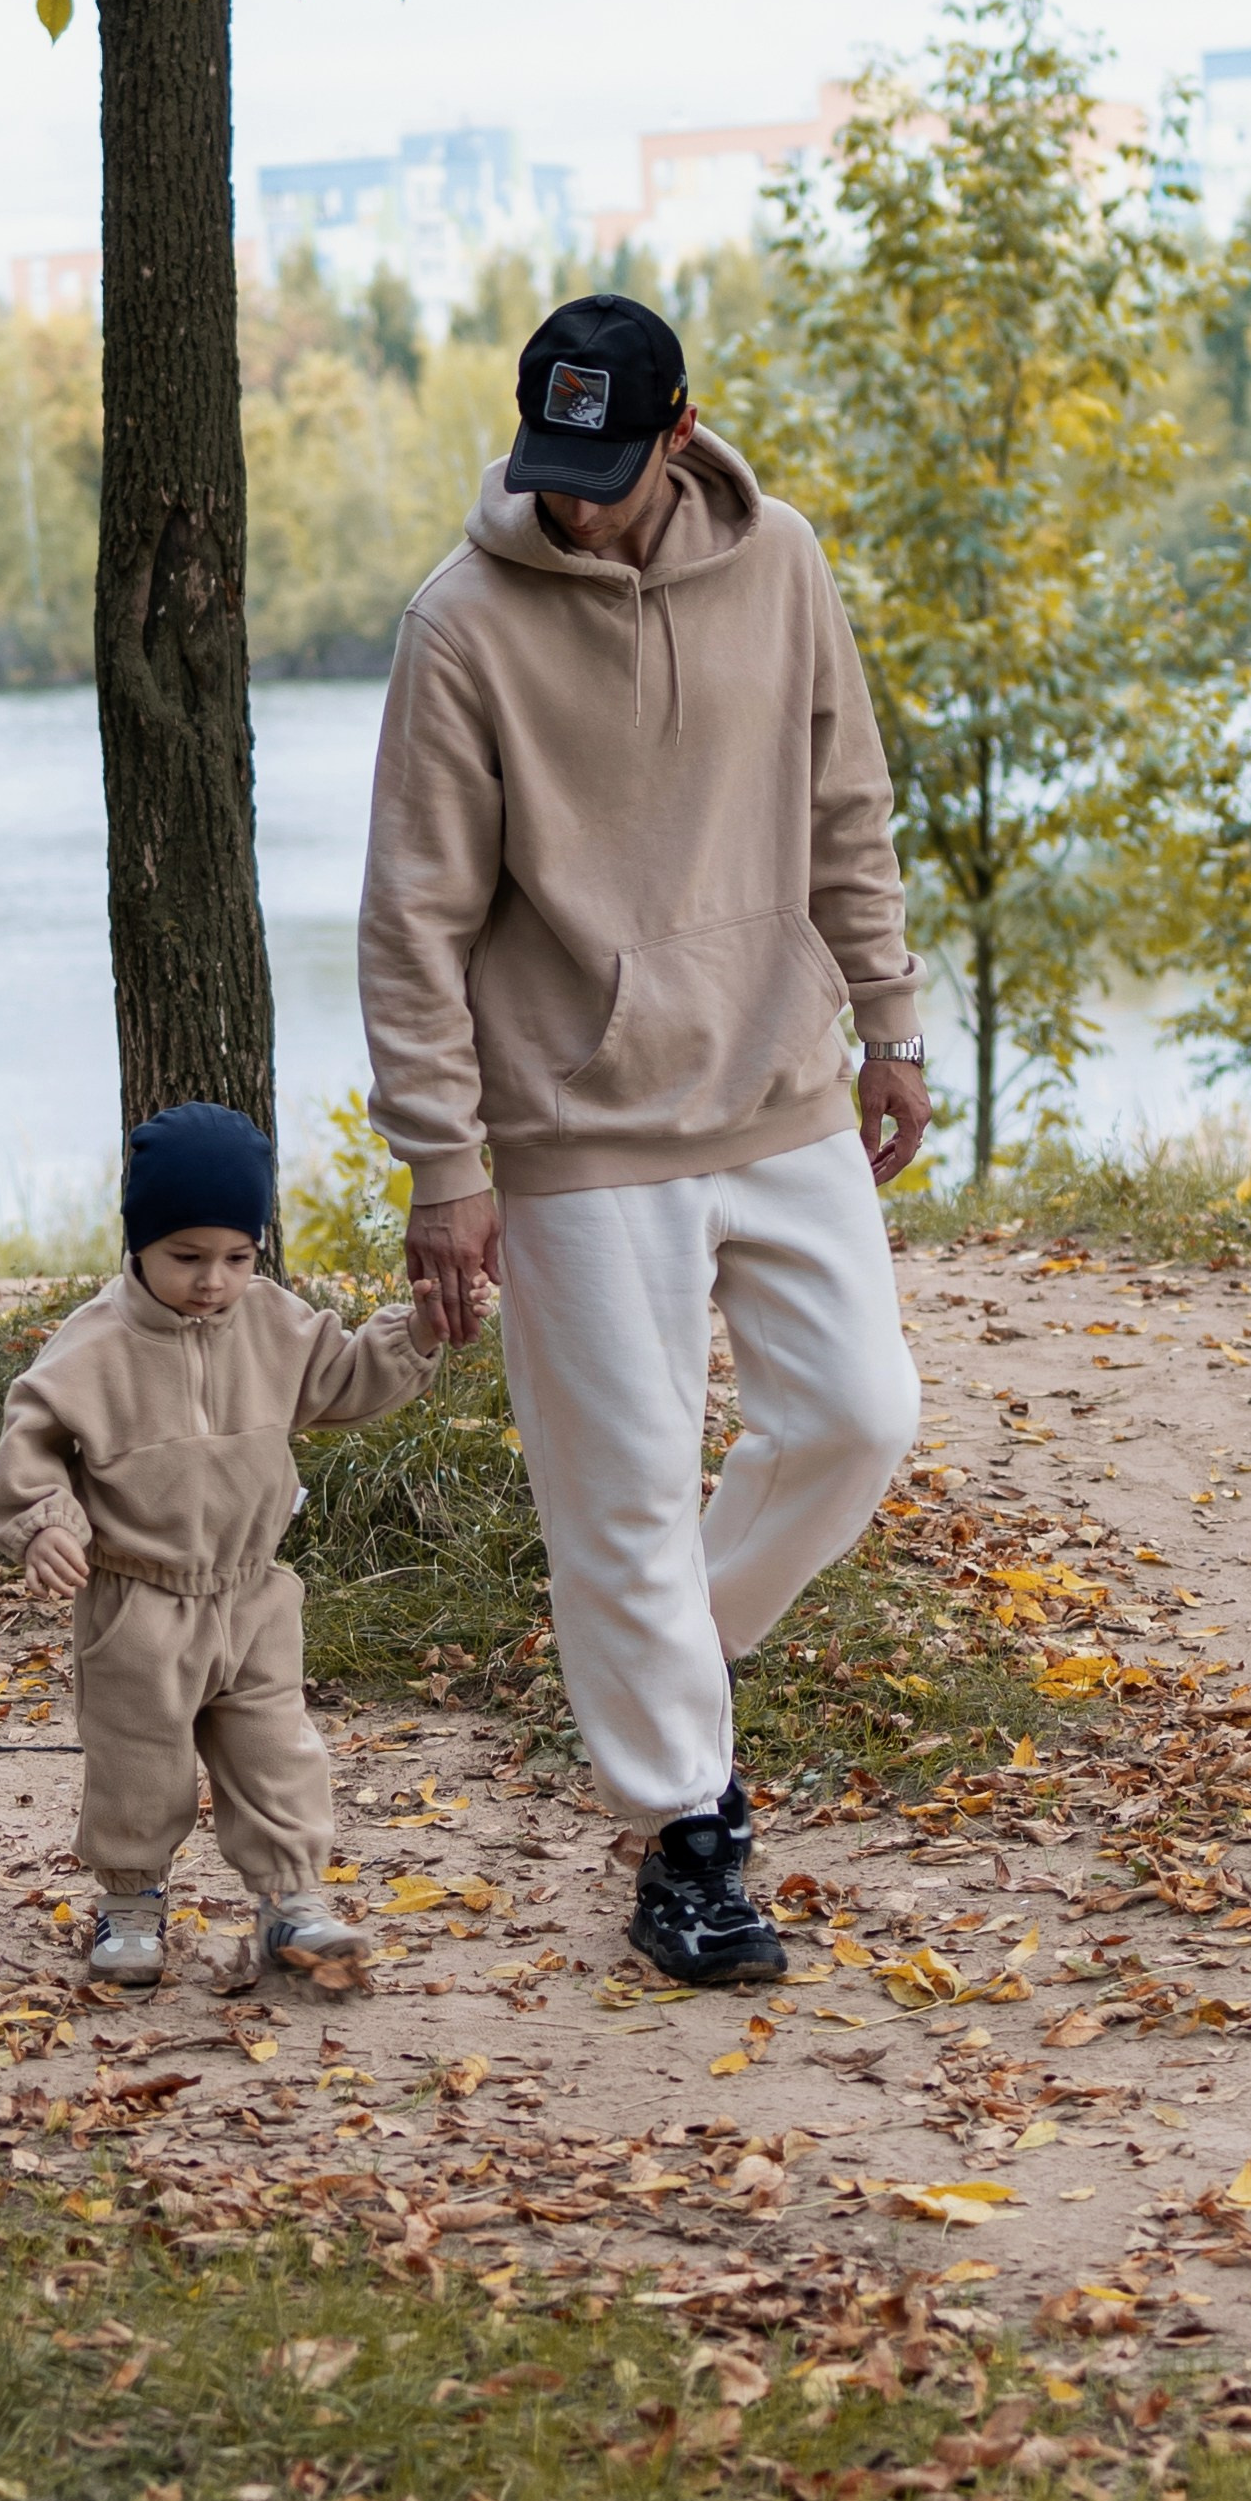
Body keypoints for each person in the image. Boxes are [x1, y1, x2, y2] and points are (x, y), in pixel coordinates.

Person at [358, 292, 931, 1987]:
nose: (571, 500)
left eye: (605, 469)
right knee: (617, 1494)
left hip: (774, 1077)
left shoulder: (785, 567)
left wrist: (887, 1015)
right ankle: (685, 1831)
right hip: (574, 1120)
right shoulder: (460, 624)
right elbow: (412, 918)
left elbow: (847, 801)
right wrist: (441, 1160)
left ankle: (654, 1651)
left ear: (679, 433)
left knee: (855, 1415)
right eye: (551, 463)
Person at [0, 1099, 442, 1989]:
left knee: (276, 1750)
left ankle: (291, 1903)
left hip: (252, 1594)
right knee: (139, 1761)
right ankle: (131, 1902)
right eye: (186, 1256)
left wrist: (413, 1332)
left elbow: (344, 1378)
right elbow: (31, 1451)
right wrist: (46, 1525)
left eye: (237, 1257)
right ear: (138, 1243)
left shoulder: (272, 1323)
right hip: (136, 1601)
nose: (212, 1281)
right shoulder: (92, 1348)